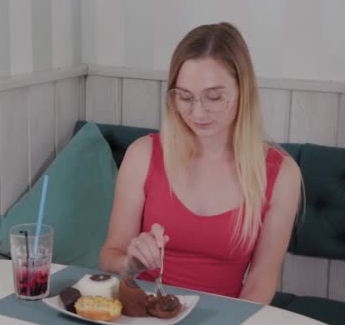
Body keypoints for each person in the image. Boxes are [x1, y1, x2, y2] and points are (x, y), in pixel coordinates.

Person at [99, 22, 302, 305]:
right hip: (141, 315)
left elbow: (261, 280)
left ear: (243, 91)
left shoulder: (281, 174)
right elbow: (110, 255)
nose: (196, 112)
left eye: (214, 97)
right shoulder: (142, 154)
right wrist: (130, 263)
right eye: (184, 97)